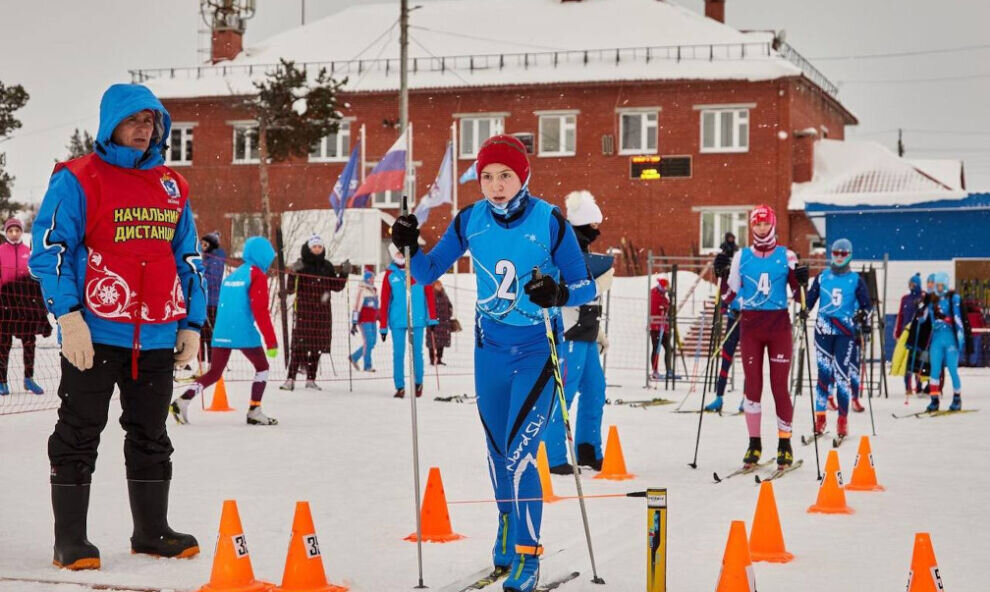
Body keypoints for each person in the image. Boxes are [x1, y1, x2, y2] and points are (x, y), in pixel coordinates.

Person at [391, 134, 596, 592]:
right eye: (487, 176)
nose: (496, 185)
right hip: (490, 350)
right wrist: (406, 243)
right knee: (497, 451)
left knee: (522, 454)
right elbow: (424, 273)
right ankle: (507, 521)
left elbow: (587, 289)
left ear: (523, 176)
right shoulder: (471, 221)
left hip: (539, 349)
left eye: (505, 175)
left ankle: (528, 554)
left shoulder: (549, 221)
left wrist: (560, 294)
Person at [30, 83, 205, 569]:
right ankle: (71, 540)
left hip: (156, 336)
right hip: (96, 332)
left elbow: (188, 256)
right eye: (134, 121)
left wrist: (191, 321)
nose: (143, 130)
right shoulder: (78, 179)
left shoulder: (173, 186)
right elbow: (50, 252)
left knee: (151, 433)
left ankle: (152, 531)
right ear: (111, 124)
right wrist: (68, 317)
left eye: (150, 122)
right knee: (78, 433)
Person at [718, 204, 808, 470]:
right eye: (756, 224)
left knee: (779, 386)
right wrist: (721, 275)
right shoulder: (741, 257)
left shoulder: (786, 255)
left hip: (778, 324)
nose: (760, 228)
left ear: (773, 224)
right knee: (752, 386)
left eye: (765, 223)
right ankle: (754, 444)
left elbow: (798, 296)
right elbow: (727, 296)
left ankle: (784, 444)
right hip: (751, 326)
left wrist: (802, 279)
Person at [171, 236, 279, 425]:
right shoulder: (256, 275)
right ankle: (255, 410)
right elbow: (260, 311)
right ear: (263, 255)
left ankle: (183, 400)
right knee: (262, 368)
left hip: (222, 331)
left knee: (214, 372)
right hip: (243, 331)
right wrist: (271, 341)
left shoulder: (234, 275)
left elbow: (225, 305)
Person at [546, 190, 613, 474]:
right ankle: (553, 455)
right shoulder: (566, 247)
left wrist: (598, 330)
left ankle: (588, 450)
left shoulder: (584, 250)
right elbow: (569, 289)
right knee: (565, 392)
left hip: (586, 329)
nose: (598, 228)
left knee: (595, 389)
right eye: (595, 223)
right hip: (569, 330)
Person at [803, 239, 873, 438]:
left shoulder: (856, 280)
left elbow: (867, 306)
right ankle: (820, 418)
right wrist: (804, 310)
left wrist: (862, 314)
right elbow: (809, 300)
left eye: (843, 253)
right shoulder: (822, 277)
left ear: (849, 255)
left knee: (842, 376)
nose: (839, 257)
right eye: (836, 253)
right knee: (823, 375)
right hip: (823, 329)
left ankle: (842, 420)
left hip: (844, 332)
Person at [280, 235, 348, 391]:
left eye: (320, 247)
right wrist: (293, 273)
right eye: (314, 247)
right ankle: (290, 378)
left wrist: (344, 274)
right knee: (298, 347)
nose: (317, 249)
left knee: (316, 347)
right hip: (304, 312)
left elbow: (336, 287)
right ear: (309, 248)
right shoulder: (301, 264)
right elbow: (291, 288)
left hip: (322, 313)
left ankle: (311, 378)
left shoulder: (327, 266)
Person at [380, 244, 437, 398]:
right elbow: (385, 301)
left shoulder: (418, 271)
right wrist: (383, 326)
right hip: (397, 321)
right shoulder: (390, 275)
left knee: (417, 353)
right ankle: (400, 386)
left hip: (417, 319)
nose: (400, 255)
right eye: (397, 252)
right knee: (398, 354)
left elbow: (429, 295)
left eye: (402, 252)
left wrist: (432, 319)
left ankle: (419, 382)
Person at [1, 217, 49, 395]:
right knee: (3, 343)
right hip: (6, 304)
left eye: (17, 230)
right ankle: (2, 381)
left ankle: (29, 379)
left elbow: (36, 278)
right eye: (10, 231)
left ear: (21, 232)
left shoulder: (28, 252)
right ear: (6, 233)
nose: (14, 234)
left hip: (25, 305)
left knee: (29, 341)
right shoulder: (0, 251)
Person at [922, 272, 965, 412]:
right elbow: (924, 318)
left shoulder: (953, 299)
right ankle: (934, 399)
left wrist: (960, 335)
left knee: (953, 369)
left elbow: (958, 317)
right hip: (937, 339)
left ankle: (957, 398)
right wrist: (921, 310)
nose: (939, 288)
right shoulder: (932, 300)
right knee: (934, 370)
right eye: (937, 285)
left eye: (942, 285)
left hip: (950, 339)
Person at [894, 274, 924, 396]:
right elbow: (901, 315)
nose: (911, 286)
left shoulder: (923, 297)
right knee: (907, 362)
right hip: (906, 333)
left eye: (914, 284)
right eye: (910, 284)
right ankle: (907, 386)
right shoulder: (905, 299)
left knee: (919, 360)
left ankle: (919, 385)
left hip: (920, 333)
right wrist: (898, 332)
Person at [199, 231, 226, 365]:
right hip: (202, 301)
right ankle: (201, 364)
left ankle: (211, 363)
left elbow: (213, 279)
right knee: (200, 334)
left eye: (205, 244)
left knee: (209, 334)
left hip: (211, 302)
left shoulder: (216, 260)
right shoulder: (205, 259)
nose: (202, 247)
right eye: (201, 244)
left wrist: (200, 276)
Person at [349, 268, 379, 372]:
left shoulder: (374, 291)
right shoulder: (362, 290)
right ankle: (367, 366)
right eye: (370, 278)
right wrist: (354, 323)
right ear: (366, 279)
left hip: (373, 321)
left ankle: (354, 357)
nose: (372, 280)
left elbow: (375, 308)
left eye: (373, 278)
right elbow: (356, 307)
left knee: (373, 342)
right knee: (369, 341)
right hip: (364, 320)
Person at [649, 277, 672, 379]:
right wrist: (665, 305)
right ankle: (655, 370)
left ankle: (668, 370)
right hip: (656, 327)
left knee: (668, 348)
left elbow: (667, 306)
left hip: (663, 326)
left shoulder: (662, 296)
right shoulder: (655, 295)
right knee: (656, 348)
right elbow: (658, 307)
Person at [428, 280, 454, 365]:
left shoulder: (444, 294)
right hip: (434, 322)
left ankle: (439, 358)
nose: (439, 287)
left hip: (443, 322)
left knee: (441, 342)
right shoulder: (431, 294)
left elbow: (449, 305)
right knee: (432, 341)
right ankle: (432, 359)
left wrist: (449, 314)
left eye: (440, 285)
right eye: (438, 285)